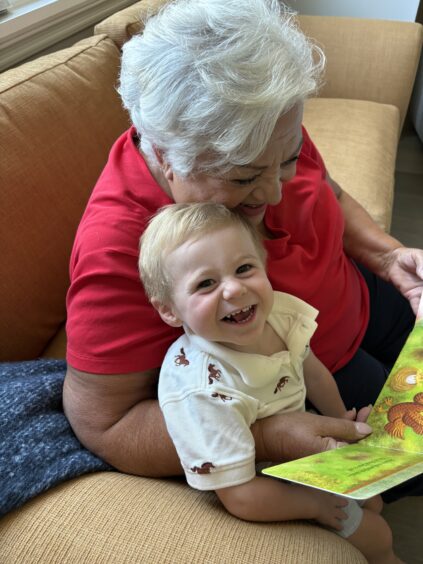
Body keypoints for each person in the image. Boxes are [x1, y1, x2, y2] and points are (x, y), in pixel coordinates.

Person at [63, 0, 423, 500]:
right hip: (313, 378)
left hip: (364, 295)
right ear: (167, 157)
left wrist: (387, 257)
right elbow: (107, 424)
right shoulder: (118, 246)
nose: (276, 192)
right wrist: (263, 436)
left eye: (289, 160)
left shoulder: (263, 132)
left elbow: (330, 193)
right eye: (245, 178)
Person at [138, 201, 402, 564]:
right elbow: (239, 495)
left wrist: (342, 420)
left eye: (244, 268)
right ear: (169, 309)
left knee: (375, 497)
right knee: (379, 537)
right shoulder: (200, 388)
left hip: (302, 451)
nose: (233, 290)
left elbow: (312, 369)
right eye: (206, 283)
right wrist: (315, 505)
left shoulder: (276, 313)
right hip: (268, 484)